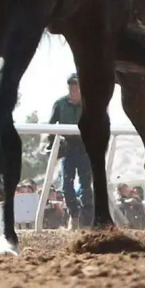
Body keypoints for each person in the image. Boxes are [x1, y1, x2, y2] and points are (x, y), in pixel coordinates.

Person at [42, 74, 94, 229]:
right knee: (67, 185)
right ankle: (74, 215)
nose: (74, 88)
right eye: (71, 85)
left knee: (86, 185)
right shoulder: (60, 104)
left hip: (85, 148)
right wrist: (52, 145)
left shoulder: (89, 103)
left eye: (77, 85)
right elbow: (51, 126)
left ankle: (86, 220)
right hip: (68, 148)